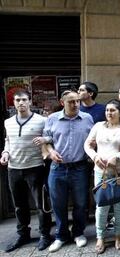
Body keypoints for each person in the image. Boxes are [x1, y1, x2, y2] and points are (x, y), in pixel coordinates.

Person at [0, 90, 52, 252]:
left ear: (30, 102)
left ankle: (45, 235)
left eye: (23, 100)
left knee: (41, 204)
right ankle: (23, 235)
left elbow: (51, 137)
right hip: (14, 169)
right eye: (17, 100)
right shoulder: (8, 122)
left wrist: (45, 139)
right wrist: (5, 153)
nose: (20, 103)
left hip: (36, 168)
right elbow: (8, 141)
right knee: (19, 205)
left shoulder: (42, 121)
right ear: (13, 103)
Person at [43, 90, 94, 252]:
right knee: (58, 204)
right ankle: (61, 235)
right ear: (62, 102)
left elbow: (92, 141)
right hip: (57, 168)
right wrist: (51, 152)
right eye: (71, 101)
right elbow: (47, 140)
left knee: (80, 203)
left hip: (80, 167)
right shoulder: (52, 119)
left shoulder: (87, 118)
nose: (75, 104)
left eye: (77, 101)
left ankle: (78, 233)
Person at [84, 99, 120, 254]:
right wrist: (95, 157)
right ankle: (100, 236)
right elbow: (87, 145)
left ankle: (118, 235)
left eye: (113, 110)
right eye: (107, 110)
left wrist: (118, 157)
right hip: (101, 172)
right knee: (102, 205)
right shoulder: (98, 126)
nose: (109, 113)